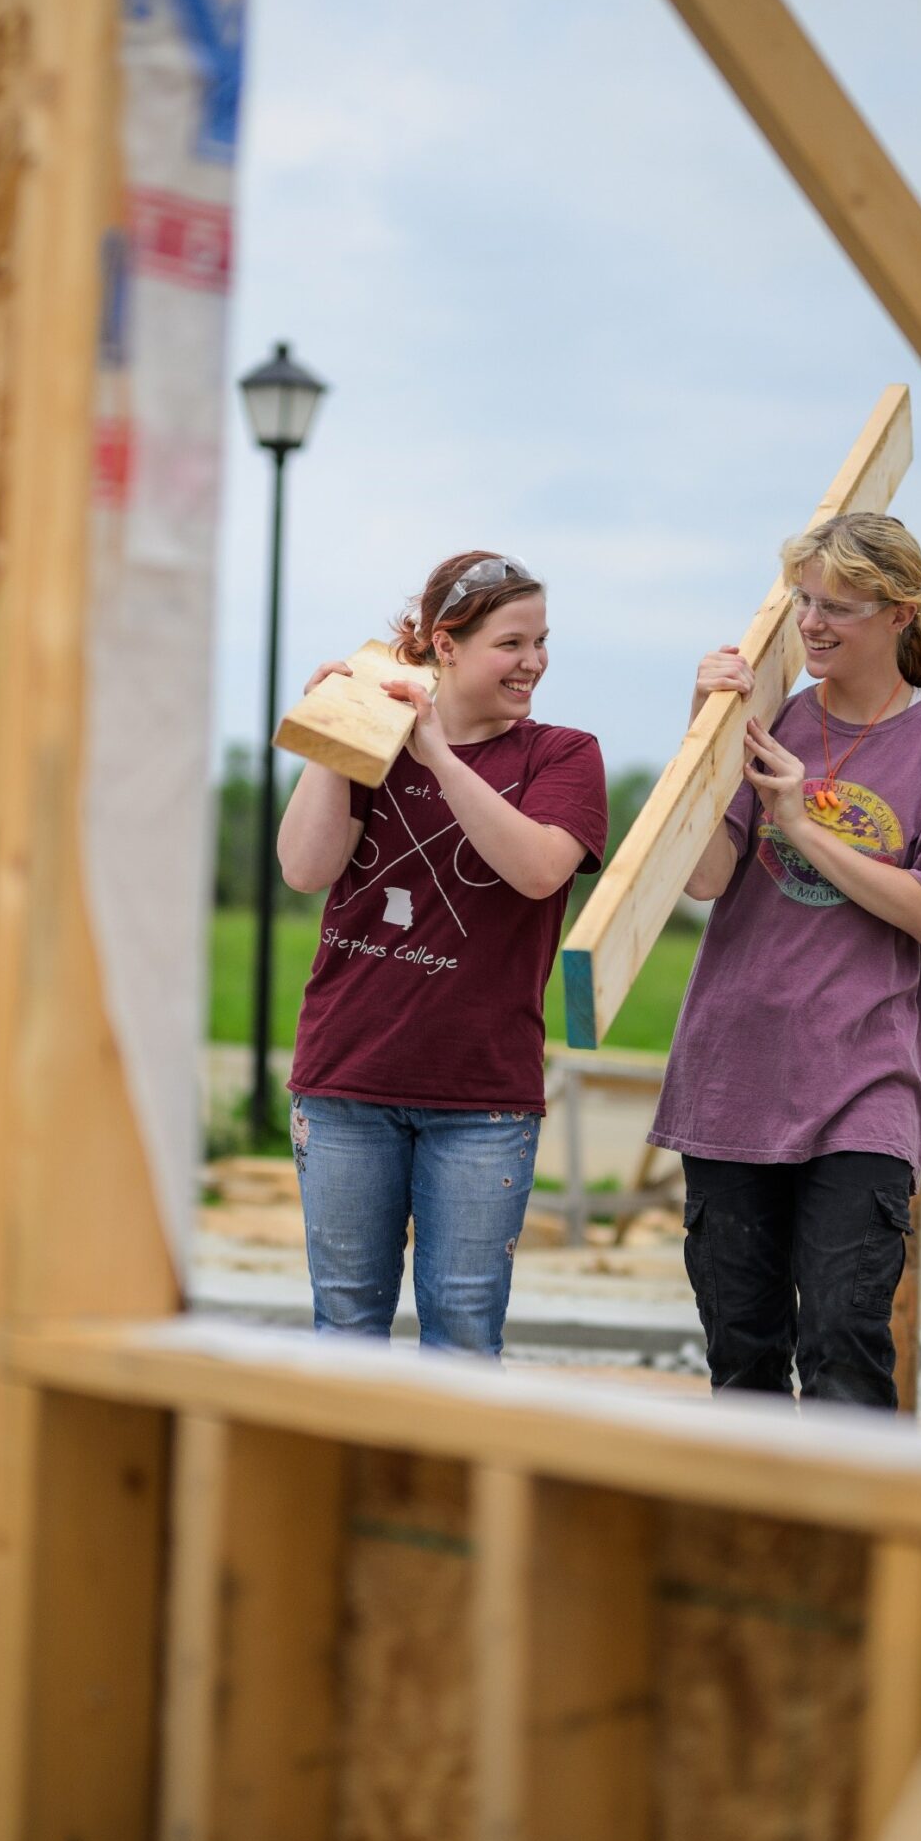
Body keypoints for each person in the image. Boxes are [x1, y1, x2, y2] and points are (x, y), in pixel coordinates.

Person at [647, 512, 921, 1409]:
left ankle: (855, 1549)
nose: (812, 622)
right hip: (730, 1076)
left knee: (844, 1348)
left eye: (839, 607)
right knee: (742, 1361)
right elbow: (704, 874)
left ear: (899, 615)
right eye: (804, 599)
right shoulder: (765, 719)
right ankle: (751, 1549)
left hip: (863, 1084)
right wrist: (703, 738)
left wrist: (801, 825)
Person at [277, 551, 606, 1354]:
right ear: (444, 646)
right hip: (346, 1080)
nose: (533, 662)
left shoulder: (560, 755)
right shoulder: (374, 741)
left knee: (461, 1337)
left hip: (481, 1097)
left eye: (540, 641)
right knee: (345, 1329)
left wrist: (436, 755)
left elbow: (536, 872)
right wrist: (335, 735)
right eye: (511, 642)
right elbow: (304, 869)